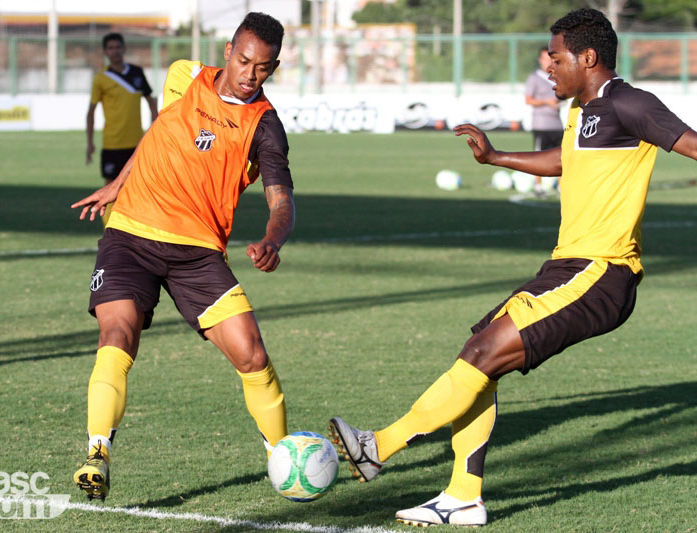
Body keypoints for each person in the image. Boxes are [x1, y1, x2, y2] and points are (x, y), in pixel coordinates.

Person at [328, 8, 697, 527]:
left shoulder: (631, 102)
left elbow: (692, 144)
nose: (549, 66)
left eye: (556, 56)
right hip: (566, 267)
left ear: (588, 57)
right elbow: (565, 162)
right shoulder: (583, 111)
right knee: (479, 357)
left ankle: (377, 447)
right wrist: (496, 157)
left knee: (482, 353)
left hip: (600, 272)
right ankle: (463, 496)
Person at [71, 12, 295, 501]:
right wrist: (118, 183)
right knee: (118, 333)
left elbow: (282, 200)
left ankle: (286, 460)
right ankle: (97, 452)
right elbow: (159, 134)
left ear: (273, 68)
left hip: (197, 253)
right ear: (228, 50)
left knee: (252, 354)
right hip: (130, 234)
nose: (248, 74)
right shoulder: (183, 77)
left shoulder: (265, 126)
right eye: (242, 60)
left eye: (261, 68)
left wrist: (273, 239)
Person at [86, 32, 158, 225]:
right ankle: (108, 229)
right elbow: (91, 111)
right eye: (110, 48)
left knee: (139, 187)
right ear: (105, 52)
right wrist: (90, 142)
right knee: (109, 186)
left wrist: (155, 127)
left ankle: (136, 230)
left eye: (118, 47)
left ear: (123, 49)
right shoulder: (101, 78)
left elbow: (152, 101)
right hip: (112, 142)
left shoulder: (136, 73)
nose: (115, 51)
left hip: (136, 143)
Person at [525, 46, 563, 197]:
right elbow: (528, 99)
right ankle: (538, 186)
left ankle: (562, 187)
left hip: (558, 124)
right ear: (540, 60)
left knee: (561, 156)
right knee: (539, 156)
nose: (548, 61)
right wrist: (547, 102)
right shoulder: (534, 77)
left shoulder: (559, 76)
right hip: (541, 124)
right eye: (545, 58)